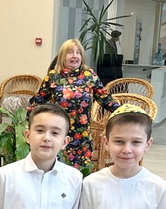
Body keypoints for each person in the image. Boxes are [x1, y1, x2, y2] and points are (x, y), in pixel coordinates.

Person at [30, 39, 119, 169]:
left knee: (80, 173)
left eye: (78, 53)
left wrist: (125, 112)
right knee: (56, 171)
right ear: (62, 56)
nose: (75, 56)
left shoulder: (89, 76)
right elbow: (37, 102)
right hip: (58, 135)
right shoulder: (53, 76)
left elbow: (106, 99)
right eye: (70, 52)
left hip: (82, 138)